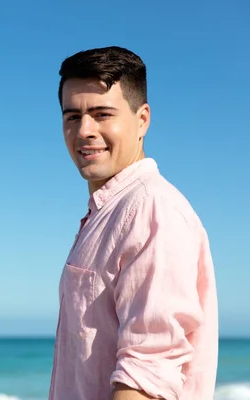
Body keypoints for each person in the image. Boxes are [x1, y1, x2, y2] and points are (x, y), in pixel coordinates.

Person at [48, 46, 219, 400]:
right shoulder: (108, 212)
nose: (84, 131)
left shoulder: (150, 209)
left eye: (101, 114)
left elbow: (147, 373)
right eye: (72, 117)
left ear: (142, 120)